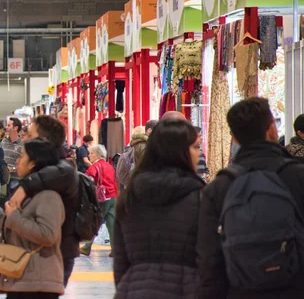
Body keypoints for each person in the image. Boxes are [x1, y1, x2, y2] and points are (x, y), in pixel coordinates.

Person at [197, 98, 304, 299]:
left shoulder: (219, 187)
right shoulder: (298, 177)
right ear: (272, 129)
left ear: (235, 139)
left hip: (239, 291)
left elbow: (209, 261)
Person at [114, 120, 205, 298]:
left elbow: (120, 260)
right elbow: (209, 257)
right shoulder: (200, 197)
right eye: (195, 147)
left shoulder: (130, 196)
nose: (199, 153)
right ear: (180, 152)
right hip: (187, 289)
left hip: (134, 289)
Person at [0, 139, 65, 299]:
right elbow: (15, 231)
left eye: (22, 157)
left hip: (38, 283)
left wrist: (14, 216)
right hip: (20, 277)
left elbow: (48, 235)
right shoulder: (25, 191)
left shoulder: (48, 196)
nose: (17, 160)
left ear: (33, 163)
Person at [17, 115, 80, 286]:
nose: (25, 138)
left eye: (30, 135)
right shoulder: (47, 167)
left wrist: (26, 185)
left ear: (43, 139)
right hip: (39, 252)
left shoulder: (62, 169)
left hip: (55, 254)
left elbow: (61, 173)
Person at [80, 144, 117, 258]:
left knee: (95, 222)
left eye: (90, 153)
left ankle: (86, 247)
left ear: (96, 154)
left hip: (102, 198)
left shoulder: (95, 166)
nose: (89, 155)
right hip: (112, 196)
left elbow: (88, 178)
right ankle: (116, 248)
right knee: (111, 224)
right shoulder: (109, 166)